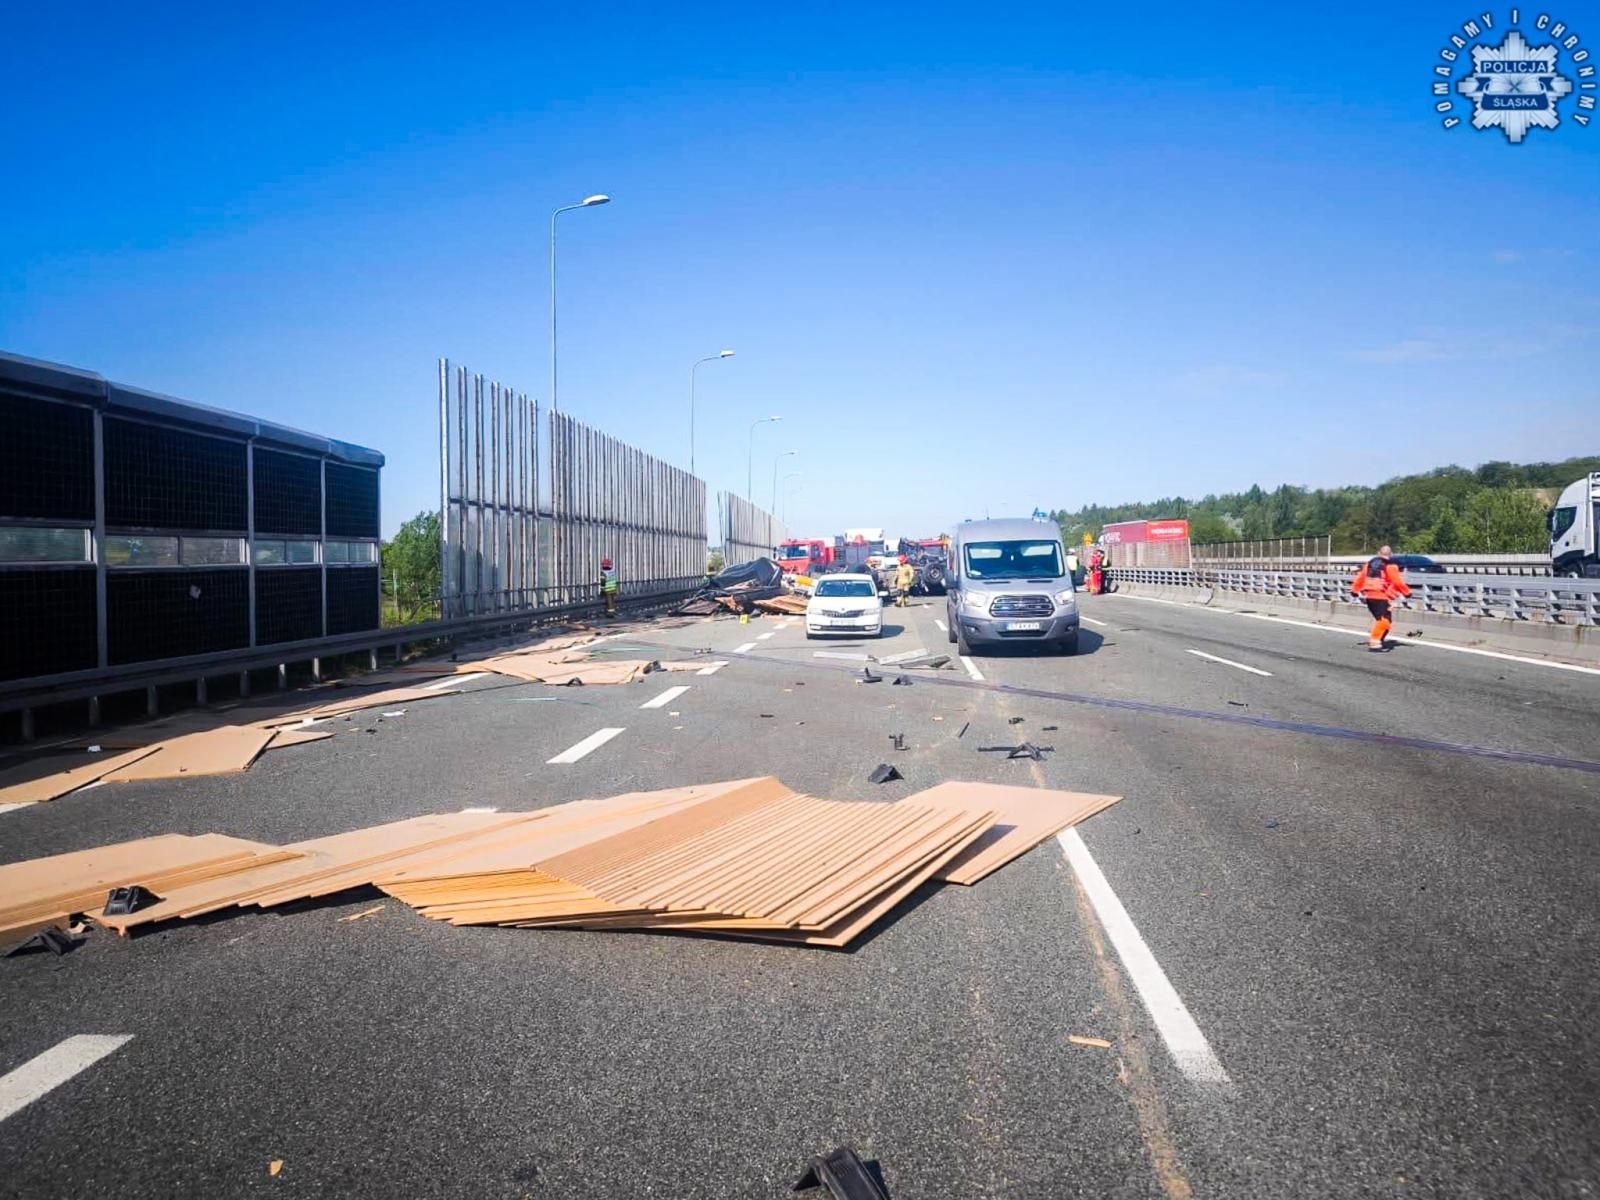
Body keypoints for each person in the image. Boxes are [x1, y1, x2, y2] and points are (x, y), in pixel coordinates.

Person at [1351, 544, 1411, 651]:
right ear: (1391, 554)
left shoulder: (1369, 564)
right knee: (1383, 620)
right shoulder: (1390, 565)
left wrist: (1355, 590)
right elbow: (1397, 581)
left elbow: (1360, 578)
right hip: (1381, 596)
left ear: (1379, 553)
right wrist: (1407, 592)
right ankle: (1375, 642)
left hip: (1370, 597)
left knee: (1386, 621)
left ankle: (1379, 639)